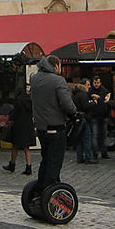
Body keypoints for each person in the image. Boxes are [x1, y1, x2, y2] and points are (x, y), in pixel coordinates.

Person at [30, 55, 77, 195]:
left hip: (41, 127)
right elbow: (67, 105)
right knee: (54, 161)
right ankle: (50, 191)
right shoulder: (58, 80)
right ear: (56, 66)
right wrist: (74, 112)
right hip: (56, 127)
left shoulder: (34, 79)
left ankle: (39, 189)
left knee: (45, 159)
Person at [2, 85, 35, 175]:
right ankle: (28, 166)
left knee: (15, 146)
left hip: (19, 126)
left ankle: (12, 164)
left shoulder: (18, 102)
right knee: (26, 147)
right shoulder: (29, 102)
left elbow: (15, 114)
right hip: (28, 126)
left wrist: (10, 119)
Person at [71, 79, 97, 164]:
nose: (89, 87)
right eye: (88, 84)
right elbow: (85, 106)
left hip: (78, 119)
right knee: (86, 138)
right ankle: (88, 157)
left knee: (79, 139)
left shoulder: (75, 94)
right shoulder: (83, 95)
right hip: (84, 119)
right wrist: (94, 103)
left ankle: (80, 157)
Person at [88, 76, 110, 160]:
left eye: (98, 82)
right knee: (95, 135)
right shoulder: (91, 91)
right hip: (95, 116)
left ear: (100, 83)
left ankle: (104, 152)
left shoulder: (104, 91)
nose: (96, 84)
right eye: (95, 82)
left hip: (103, 116)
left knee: (103, 135)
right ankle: (95, 152)